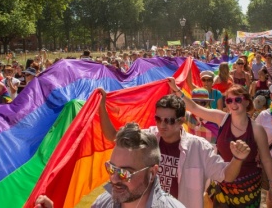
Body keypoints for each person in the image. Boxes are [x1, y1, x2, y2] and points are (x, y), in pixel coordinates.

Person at [98, 87, 251, 208]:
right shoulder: (147, 139)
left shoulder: (199, 148)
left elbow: (226, 175)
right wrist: (101, 106)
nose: (162, 125)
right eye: (158, 119)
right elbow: (113, 136)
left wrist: (237, 158)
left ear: (181, 121)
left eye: (169, 121)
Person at [168, 80, 272, 208]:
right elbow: (194, 108)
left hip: (248, 187)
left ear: (247, 101)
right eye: (229, 101)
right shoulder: (222, 118)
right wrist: (176, 89)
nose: (233, 104)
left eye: (238, 99)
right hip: (223, 183)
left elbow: (266, 159)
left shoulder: (256, 129)